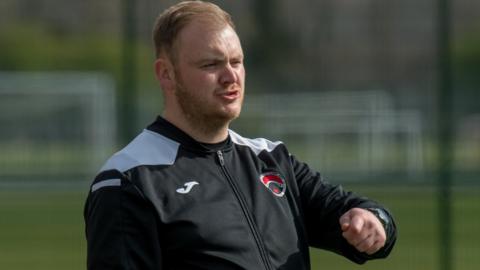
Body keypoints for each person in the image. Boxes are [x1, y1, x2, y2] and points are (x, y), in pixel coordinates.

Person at [84, 1, 397, 269]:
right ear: (166, 73)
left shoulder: (269, 159)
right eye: (211, 64)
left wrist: (373, 220)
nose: (230, 76)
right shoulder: (130, 180)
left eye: (236, 62)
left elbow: (351, 216)